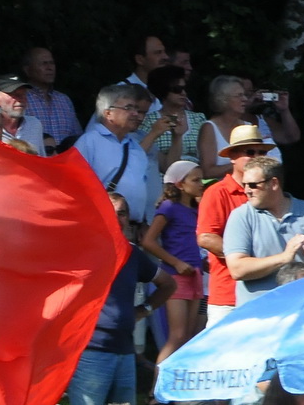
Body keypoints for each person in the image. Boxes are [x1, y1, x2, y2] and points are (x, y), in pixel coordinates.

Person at [68, 192, 175, 405]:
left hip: (125, 351)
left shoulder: (132, 254)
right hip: (90, 350)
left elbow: (168, 284)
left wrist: (144, 310)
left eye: (122, 213)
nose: (117, 219)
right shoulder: (80, 251)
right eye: (110, 213)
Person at [224, 156, 304, 304]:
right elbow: (237, 269)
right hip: (260, 312)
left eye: (253, 185)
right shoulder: (241, 216)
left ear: (274, 183)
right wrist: (284, 257)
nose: (247, 190)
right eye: (245, 185)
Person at [197, 124, 273, 328]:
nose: (257, 156)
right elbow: (206, 237)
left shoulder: (270, 192)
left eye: (261, 152)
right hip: (228, 296)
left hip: (265, 292)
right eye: (250, 152)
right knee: (222, 359)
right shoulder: (217, 191)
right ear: (232, 157)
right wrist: (245, 260)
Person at [141, 160, 206, 366]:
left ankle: (176, 388)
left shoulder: (196, 209)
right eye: (195, 180)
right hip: (176, 277)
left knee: (187, 336)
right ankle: (155, 391)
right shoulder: (169, 207)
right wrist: (176, 263)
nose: (201, 183)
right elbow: (148, 241)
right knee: (177, 336)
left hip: (195, 274)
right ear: (180, 184)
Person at [75, 82, 161, 222]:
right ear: (108, 113)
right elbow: (76, 186)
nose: (135, 114)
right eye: (128, 108)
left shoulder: (135, 147)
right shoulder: (89, 141)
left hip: (132, 228)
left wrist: (143, 222)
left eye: (136, 108)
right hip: (102, 223)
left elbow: (140, 188)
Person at [199, 75, 297, 181]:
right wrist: (241, 164)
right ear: (223, 99)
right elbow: (207, 171)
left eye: (245, 95)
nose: (245, 99)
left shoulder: (248, 126)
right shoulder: (209, 128)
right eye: (239, 95)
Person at [138, 65, 204, 171]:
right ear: (163, 90)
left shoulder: (199, 119)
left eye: (184, 88)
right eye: (177, 89)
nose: (183, 93)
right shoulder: (149, 122)